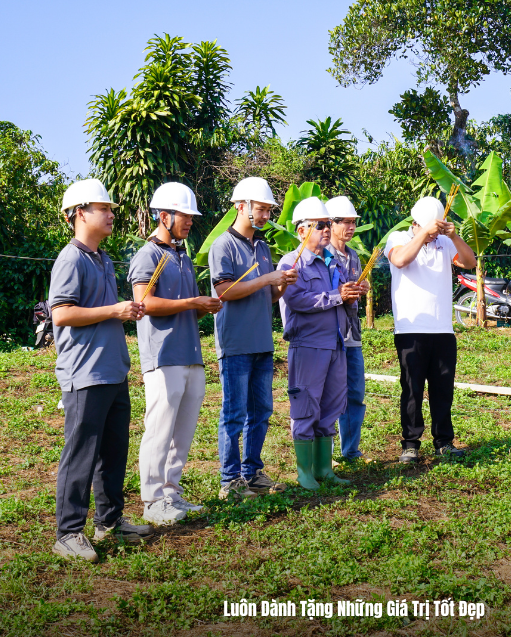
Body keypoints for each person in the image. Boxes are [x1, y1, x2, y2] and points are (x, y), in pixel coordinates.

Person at [49, 179, 150, 562]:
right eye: (102, 208)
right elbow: (62, 313)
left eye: (110, 208)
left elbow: (102, 312)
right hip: (84, 374)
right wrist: (114, 310)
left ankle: (110, 521)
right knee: (81, 454)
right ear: (78, 213)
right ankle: (68, 533)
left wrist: (125, 311)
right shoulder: (70, 259)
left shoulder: (103, 260)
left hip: (112, 371)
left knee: (112, 451)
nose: (110, 214)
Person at [130, 182, 222, 525]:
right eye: (184, 215)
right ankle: (152, 500)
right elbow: (145, 302)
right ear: (164, 215)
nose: (189, 222)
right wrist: (192, 302)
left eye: (190, 216)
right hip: (162, 355)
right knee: (159, 429)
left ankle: (171, 493)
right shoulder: (149, 255)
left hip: (191, 354)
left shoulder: (181, 255)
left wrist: (203, 307)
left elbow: (185, 307)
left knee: (181, 432)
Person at [208, 177, 297, 500]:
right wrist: (267, 279)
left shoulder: (262, 246)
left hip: (262, 341)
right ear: (240, 206)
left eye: (268, 210)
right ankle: (229, 481)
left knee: (261, 412)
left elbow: (270, 297)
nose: (265, 215)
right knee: (233, 414)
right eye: (261, 209)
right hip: (235, 344)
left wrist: (282, 283)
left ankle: (252, 472)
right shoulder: (223, 246)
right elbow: (225, 291)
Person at [278, 197, 364, 489]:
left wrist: (352, 290)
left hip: (335, 343)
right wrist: (338, 295)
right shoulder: (291, 263)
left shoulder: (331, 262)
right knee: (306, 404)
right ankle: (304, 471)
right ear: (302, 231)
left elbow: (341, 295)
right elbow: (297, 300)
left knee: (331, 405)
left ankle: (324, 468)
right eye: (320, 225)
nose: (327, 230)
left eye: (328, 225)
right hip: (308, 344)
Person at [385, 196, 477, 463]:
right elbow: (400, 260)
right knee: (411, 388)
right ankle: (410, 444)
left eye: (436, 230)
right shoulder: (398, 238)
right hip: (410, 329)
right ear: (416, 224)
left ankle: (444, 442)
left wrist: (454, 236)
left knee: (443, 389)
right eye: (429, 230)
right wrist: (423, 235)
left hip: (443, 330)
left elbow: (470, 262)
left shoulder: (445, 243)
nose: (433, 236)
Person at [325, 196, 370, 463]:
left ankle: (350, 450)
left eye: (353, 222)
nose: (351, 227)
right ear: (331, 223)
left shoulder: (352, 255)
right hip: (330, 333)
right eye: (346, 222)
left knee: (355, 393)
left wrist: (360, 289)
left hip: (352, 333)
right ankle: (325, 454)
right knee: (329, 395)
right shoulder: (323, 255)